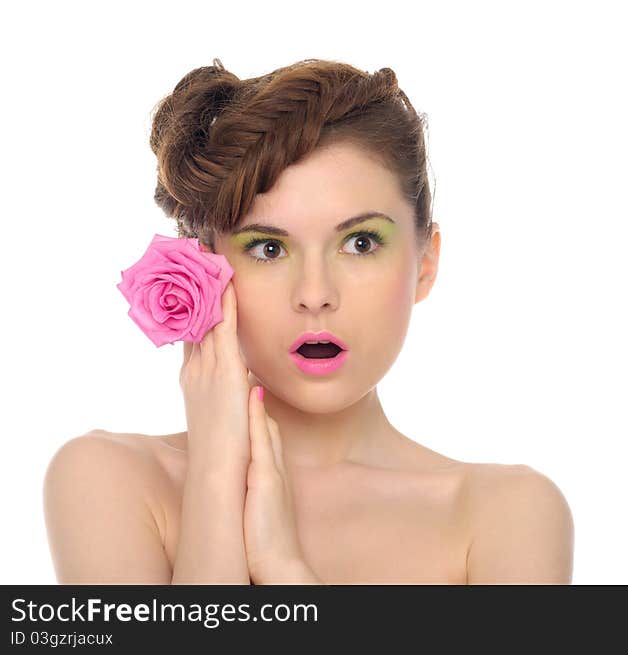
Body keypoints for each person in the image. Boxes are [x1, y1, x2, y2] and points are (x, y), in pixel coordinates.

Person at [43, 58, 574, 584]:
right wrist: (215, 478)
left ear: (425, 263)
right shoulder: (108, 481)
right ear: (207, 267)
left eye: (360, 243)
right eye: (269, 248)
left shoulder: (508, 517)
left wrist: (285, 569)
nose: (315, 295)